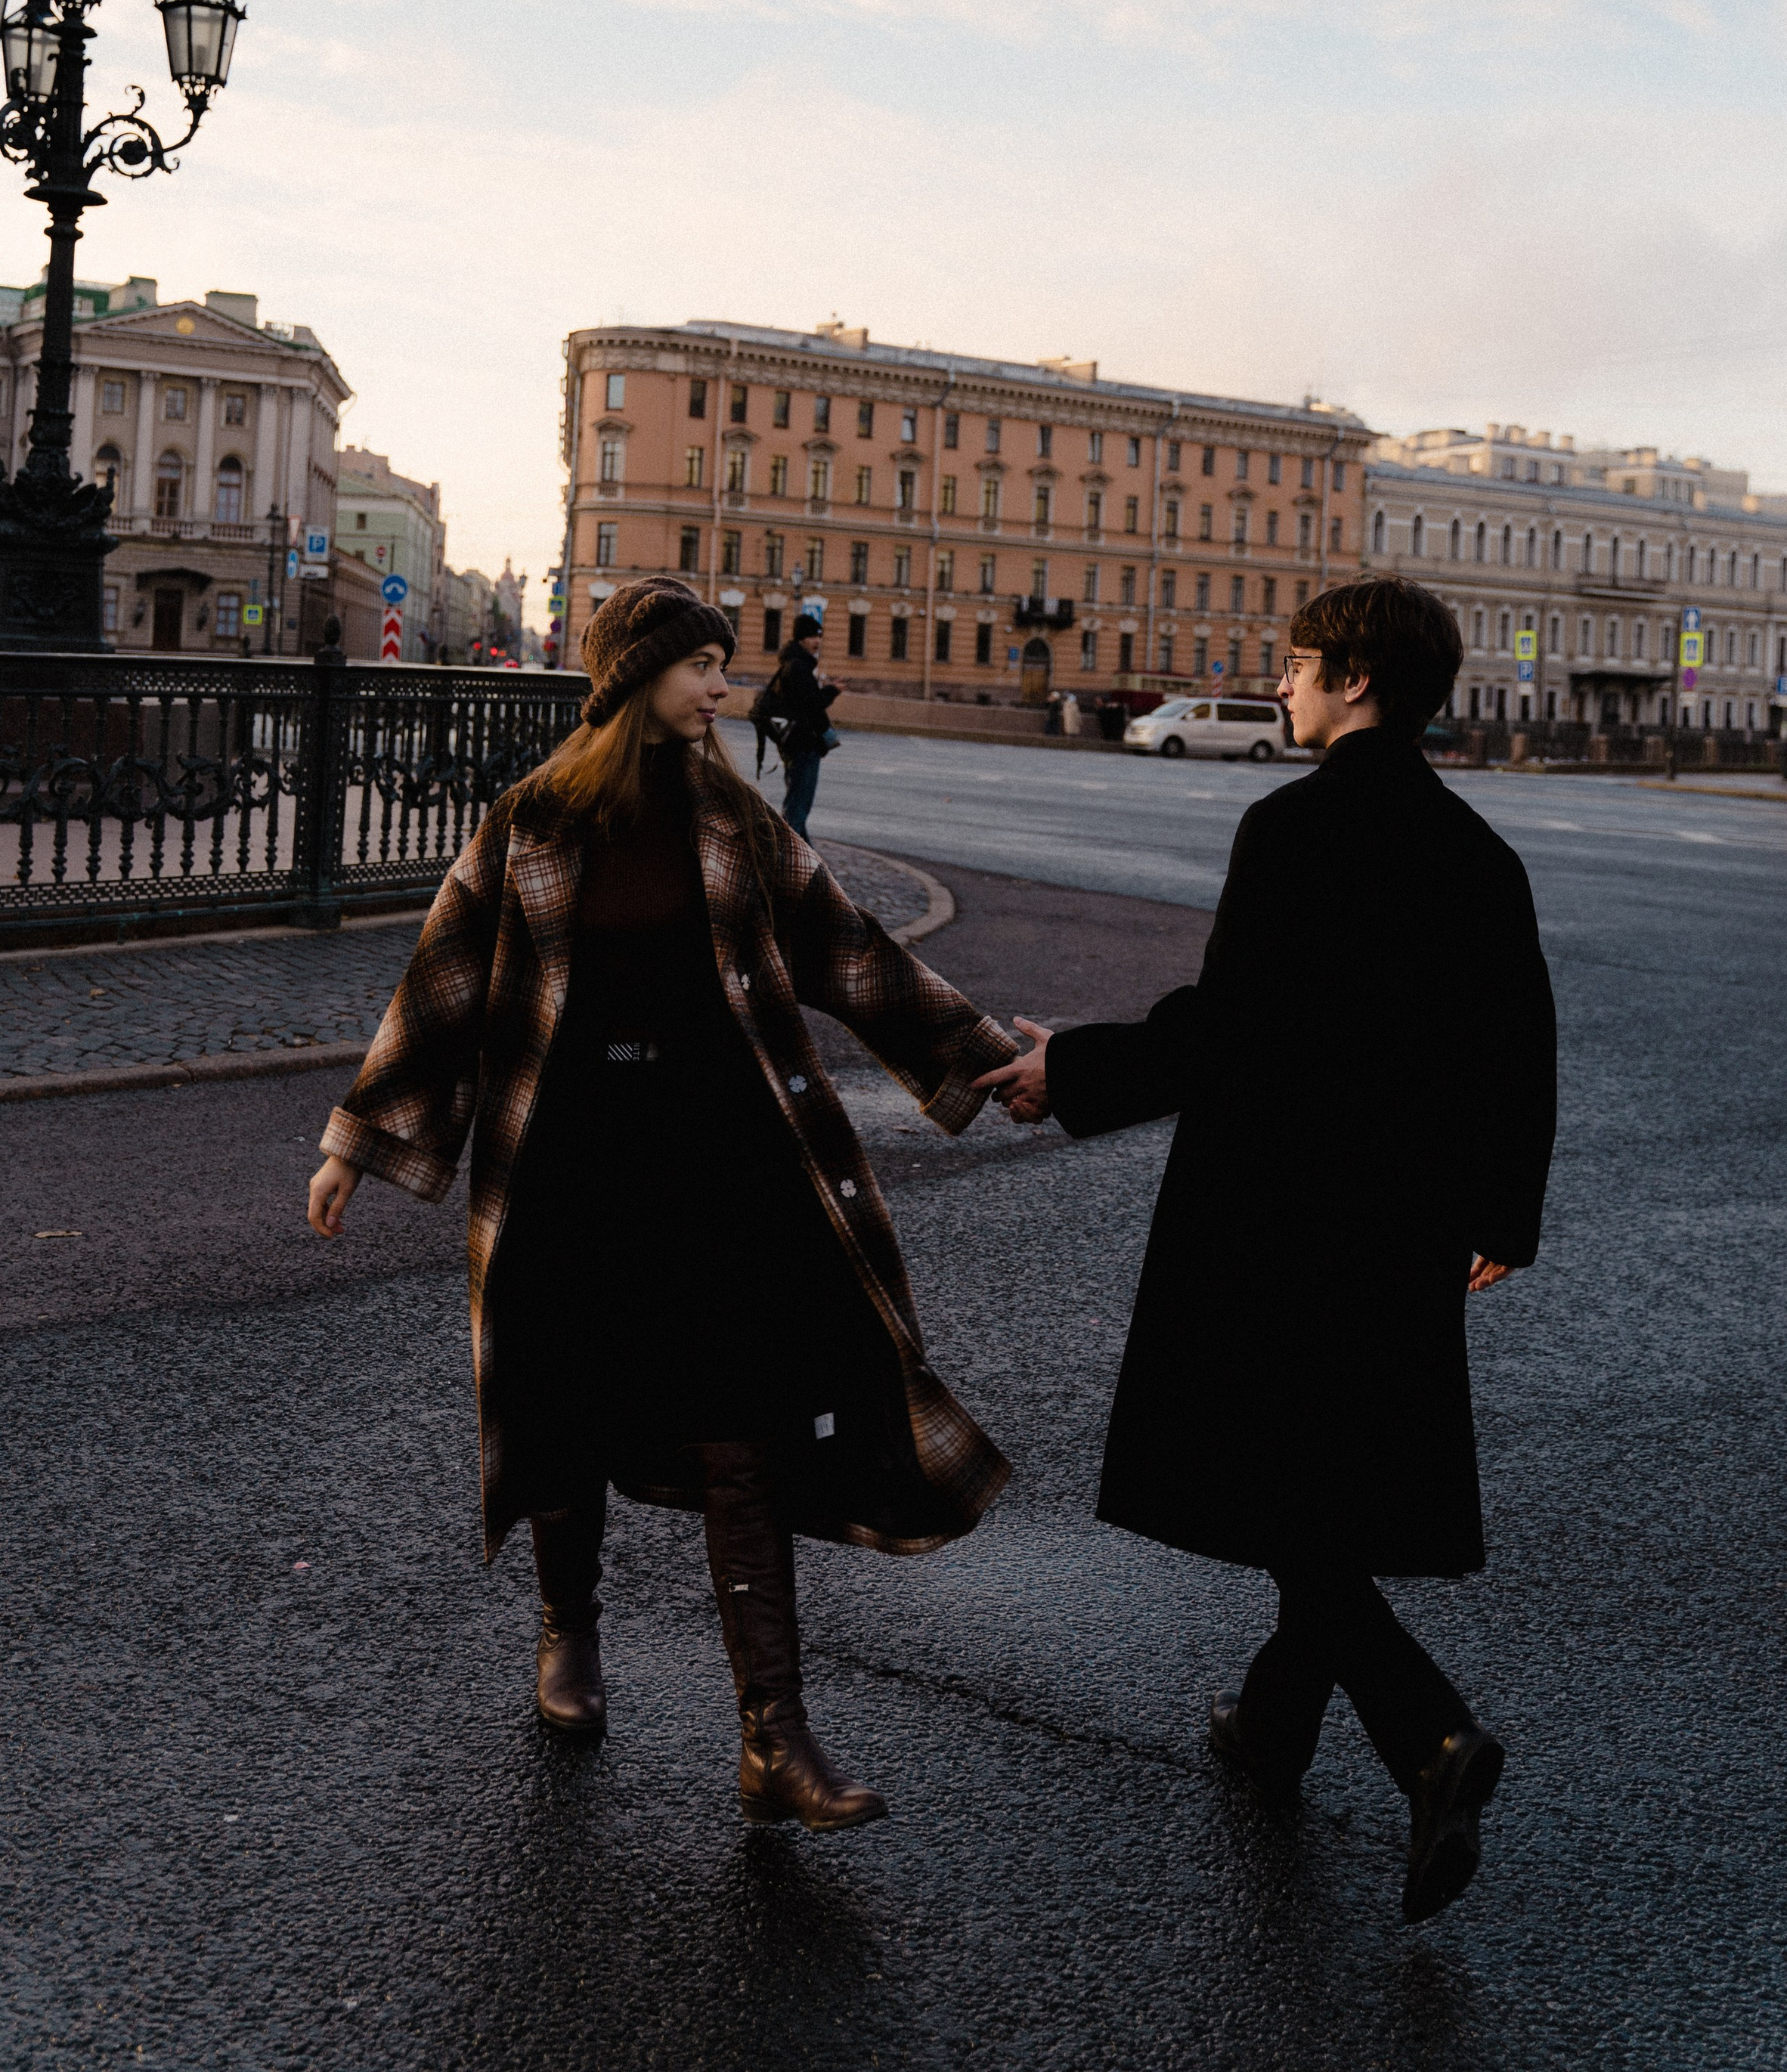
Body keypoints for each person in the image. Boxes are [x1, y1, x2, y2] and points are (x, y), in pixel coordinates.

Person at [306, 575, 1015, 1832]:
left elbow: (850, 948)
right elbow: (447, 979)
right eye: (703, 667)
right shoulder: (530, 822)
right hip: (570, 1160)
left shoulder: (737, 821)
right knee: (564, 1402)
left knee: (741, 1428)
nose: (723, 688)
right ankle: (567, 1632)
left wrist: (977, 1054)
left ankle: (774, 1739)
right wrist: (357, 1142)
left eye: (726, 666)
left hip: (715, 1158)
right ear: (636, 677)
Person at [974, 578, 1556, 1925]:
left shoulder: (1293, 827)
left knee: (1282, 1487)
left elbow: (1229, 1031)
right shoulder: (1479, 852)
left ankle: (1430, 1735)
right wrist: (1498, 1217)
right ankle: (1275, 1725)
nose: (1283, 687)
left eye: (1298, 667)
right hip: (1405, 1219)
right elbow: (1516, 1048)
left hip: (1277, 1212)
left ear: (1355, 681)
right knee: (1336, 1471)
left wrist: (1069, 1069)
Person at [766, 612, 840, 841]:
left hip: (794, 744)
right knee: (797, 809)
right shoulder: (798, 667)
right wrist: (832, 690)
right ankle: (785, 863)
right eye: (811, 637)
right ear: (800, 639)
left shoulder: (792, 664)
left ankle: (807, 862)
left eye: (819, 636)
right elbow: (811, 705)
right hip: (804, 745)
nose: (817, 641)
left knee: (796, 804)